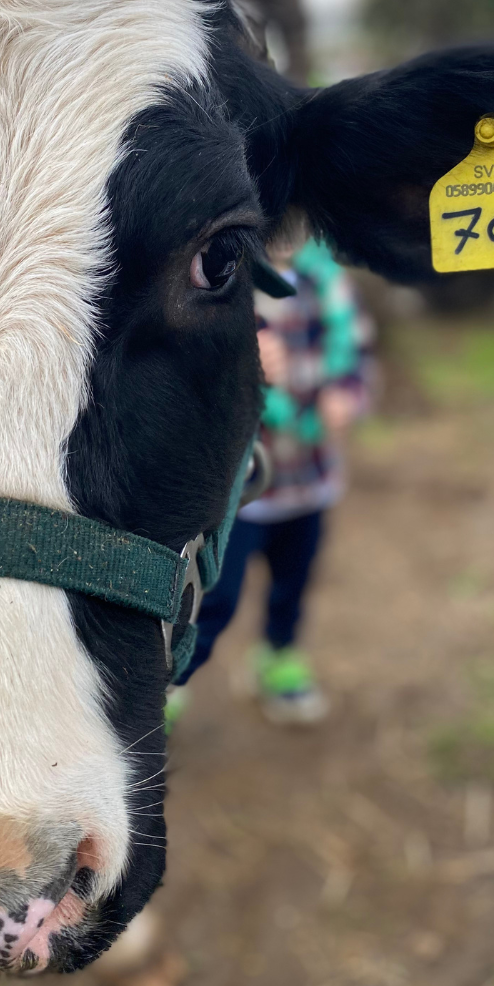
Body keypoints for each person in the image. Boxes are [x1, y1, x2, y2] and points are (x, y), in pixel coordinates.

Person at [168, 218, 371, 727]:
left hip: (313, 476)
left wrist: (348, 394)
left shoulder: (328, 282)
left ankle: (279, 657)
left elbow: (358, 356)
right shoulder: (226, 283)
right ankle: (169, 681)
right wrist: (243, 366)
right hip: (246, 488)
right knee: (217, 594)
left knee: (294, 580)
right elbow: (187, 368)